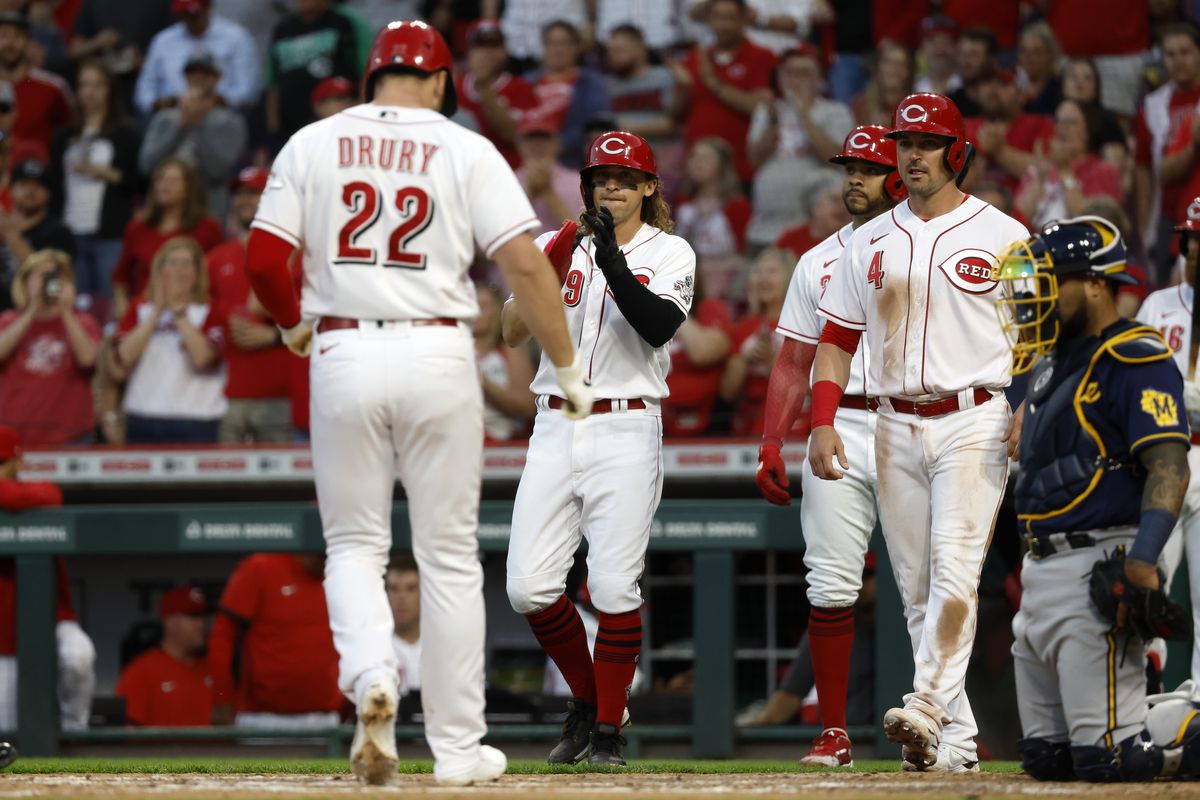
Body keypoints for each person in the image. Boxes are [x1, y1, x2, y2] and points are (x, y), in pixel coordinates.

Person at [241, 20, 592, 787]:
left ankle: (372, 674)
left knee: (355, 547)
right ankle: (460, 752)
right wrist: (565, 366)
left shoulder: (313, 140)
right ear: (438, 81)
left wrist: (292, 322)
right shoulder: (465, 147)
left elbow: (264, 258)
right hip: (437, 348)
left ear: (372, 77)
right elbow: (527, 268)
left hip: (342, 349)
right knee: (448, 555)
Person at [809, 92, 1028, 772]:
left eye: (928, 142)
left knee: (956, 567)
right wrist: (820, 420)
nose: (914, 153)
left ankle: (927, 705)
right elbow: (837, 337)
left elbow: (1038, 336)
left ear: (957, 151)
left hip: (976, 415)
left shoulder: (1005, 233)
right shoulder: (870, 239)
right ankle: (953, 744)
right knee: (915, 587)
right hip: (890, 418)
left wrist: (1028, 404)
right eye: (906, 141)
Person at [502, 130, 695, 767]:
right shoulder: (557, 244)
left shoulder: (671, 251)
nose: (609, 186)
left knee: (613, 586)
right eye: (599, 177)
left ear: (648, 187)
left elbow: (658, 325)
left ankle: (609, 730)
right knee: (528, 586)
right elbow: (507, 330)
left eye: (623, 177)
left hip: (626, 424)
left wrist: (611, 259)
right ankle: (590, 700)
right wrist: (554, 254)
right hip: (555, 421)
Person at [994, 215, 1200, 782]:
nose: (1038, 297)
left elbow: (1169, 464)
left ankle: (1193, 735)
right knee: (1046, 761)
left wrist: (1143, 557)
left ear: (1096, 284)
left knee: (1108, 760)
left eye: (1051, 281)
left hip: (1099, 564)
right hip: (1039, 575)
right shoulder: (1049, 362)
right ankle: (1164, 720)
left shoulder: (1134, 353)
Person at [755, 124, 907, 766]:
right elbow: (793, 361)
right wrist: (771, 441)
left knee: (932, 582)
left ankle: (949, 719)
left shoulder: (922, 244)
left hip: (913, 418)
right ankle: (837, 731)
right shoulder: (816, 259)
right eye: (849, 168)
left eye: (868, 169)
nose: (854, 179)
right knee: (830, 580)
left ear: (897, 175)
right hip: (837, 419)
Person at [1137, 199, 1200, 684]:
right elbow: (1133, 383)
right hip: (1162, 456)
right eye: (1192, 239)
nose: (1197, 248)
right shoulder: (1158, 306)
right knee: (1146, 582)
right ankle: (1144, 684)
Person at [0, 426, 95, 732]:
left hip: (53, 621)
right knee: (9, 739)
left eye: (0, 465)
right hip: (4, 641)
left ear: (18, 462)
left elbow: (52, 494)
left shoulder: (37, 497)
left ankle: (74, 730)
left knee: (78, 656)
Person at [110, 236, 226, 444]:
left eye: (186, 264)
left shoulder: (211, 310)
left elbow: (203, 359)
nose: (179, 271)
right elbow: (124, 357)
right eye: (171, 263)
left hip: (197, 419)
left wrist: (179, 312)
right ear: (159, 270)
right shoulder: (140, 309)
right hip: (142, 415)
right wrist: (156, 311)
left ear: (197, 273)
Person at [206, 553, 342, 729]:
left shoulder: (343, 574)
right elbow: (222, 639)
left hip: (326, 721)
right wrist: (221, 699)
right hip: (263, 721)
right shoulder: (260, 568)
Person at [208, 167, 293, 444]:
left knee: (285, 484)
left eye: (254, 193)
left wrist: (274, 336)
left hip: (282, 394)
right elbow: (206, 319)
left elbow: (319, 321)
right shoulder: (217, 258)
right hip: (229, 395)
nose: (244, 200)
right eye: (239, 194)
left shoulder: (300, 254)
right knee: (224, 484)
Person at [746, 44, 855, 252]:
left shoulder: (835, 111)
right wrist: (772, 121)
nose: (796, 80)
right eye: (790, 73)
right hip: (764, 227)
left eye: (804, 73)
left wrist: (804, 114)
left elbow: (837, 158)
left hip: (813, 229)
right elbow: (755, 159)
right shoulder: (768, 110)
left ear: (819, 78)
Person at [51, 58, 140, 304]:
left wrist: (108, 173)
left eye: (98, 85)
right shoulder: (65, 135)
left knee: (109, 303)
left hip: (109, 233)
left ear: (110, 90)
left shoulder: (125, 133)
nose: (90, 92)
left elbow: (140, 182)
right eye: (84, 85)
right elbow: (55, 185)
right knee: (76, 304)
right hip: (71, 231)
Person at [0, 249, 99, 445]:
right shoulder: (9, 320)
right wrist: (31, 311)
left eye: (54, 276)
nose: (46, 282)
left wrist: (66, 310)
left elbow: (88, 360)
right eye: (40, 275)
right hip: (13, 435)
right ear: (25, 283)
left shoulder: (83, 322)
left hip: (71, 435)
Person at [672, 0, 776, 184]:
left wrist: (714, 84)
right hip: (697, 171)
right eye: (718, 18)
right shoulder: (694, 58)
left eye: (730, 18)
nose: (723, 25)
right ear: (708, 20)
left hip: (741, 171)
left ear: (744, 20)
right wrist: (684, 89)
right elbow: (675, 117)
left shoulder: (762, 56)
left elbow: (762, 108)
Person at [138, 50, 247, 224]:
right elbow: (147, 165)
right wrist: (179, 126)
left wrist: (198, 123)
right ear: (184, 76)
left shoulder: (231, 122)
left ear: (217, 78)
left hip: (210, 212)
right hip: (166, 215)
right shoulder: (165, 119)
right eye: (192, 72)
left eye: (206, 73)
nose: (198, 78)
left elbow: (218, 171)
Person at [110, 156, 223, 318]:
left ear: (188, 189)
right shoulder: (137, 228)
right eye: (161, 179)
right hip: (146, 313)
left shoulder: (207, 227)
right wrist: (124, 310)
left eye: (174, 180)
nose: (165, 185)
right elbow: (120, 276)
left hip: (193, 313)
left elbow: (216, 276)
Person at [1135, 23, 1200, 284]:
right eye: (1170, 54)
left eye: (1185, 52)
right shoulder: (1152, 105)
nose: (1178, 61)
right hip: (1168, 210)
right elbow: (1143, 168)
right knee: (1165, 284)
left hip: (1195, 201)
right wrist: (1143, 225)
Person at [134, 0, 259, 116]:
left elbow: (248, 91)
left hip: (222, 116)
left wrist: (211, 101)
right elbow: (144, 93)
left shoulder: (236, 37)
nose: (189, 21)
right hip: (173, 116)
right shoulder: (163, 40)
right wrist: (163, 104)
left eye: (194, 15)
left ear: (208, 6)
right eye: (184, 15)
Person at [1015, 99, 1124, 230]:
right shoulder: (1041, 168)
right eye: (1058, 121)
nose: (1062, 127)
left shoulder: (1103, 171)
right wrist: (1040, 178)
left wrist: (1065, 170)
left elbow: (1092, 225)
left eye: (1071, 122)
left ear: (1088, 129)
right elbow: (1017, 220)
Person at [720, 247, 796, 436]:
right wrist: (745, 359)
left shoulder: (801, 324)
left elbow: (808, 389)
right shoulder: (744, 326)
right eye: (758, 271)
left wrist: (772, 360)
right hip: (746, 429)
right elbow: (727, 392)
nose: (763, 278)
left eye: (771, 272)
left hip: (791, 429)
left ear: (790, 278)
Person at [264, 0, 361, 143]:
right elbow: (274, 82)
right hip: (292, 124)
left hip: (335, 120)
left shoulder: (342, 22)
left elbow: (360, 69)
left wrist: (359, 109)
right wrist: (272, 129)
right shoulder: (282, 29)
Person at [114, 585, 212, 727]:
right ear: (169, 621)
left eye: (203, 617)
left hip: (212, 750)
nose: (201, 624)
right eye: (193, 617)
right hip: (162, 750)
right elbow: (128, 733)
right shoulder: (140, 673)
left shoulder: (213, 669)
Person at [524, 21, 610, 170]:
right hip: (528, 162)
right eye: (551, 43)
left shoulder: (591, 82)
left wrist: (554, 147)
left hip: (574, 163)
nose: (558, 49)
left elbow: (595, 124)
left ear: (576, 47)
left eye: (564, 43)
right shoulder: (526, 82)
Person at [674, 137, 751, 300]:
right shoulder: (683, 201)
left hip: (725, 286)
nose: (697, 163)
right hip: (684, 281)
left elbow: (743, 255)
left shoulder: (736, 206)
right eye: (693, 157)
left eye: (705, 158)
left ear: (722, 166)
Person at [455, 19, 536, 169]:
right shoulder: (455, 86)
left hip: (506, 171)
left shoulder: (521, 88)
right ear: (469, 52)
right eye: (481, 46)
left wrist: (484, 87)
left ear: (505, 51)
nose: (488, 53)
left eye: (494, 45)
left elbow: (512, 135)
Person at [662, 268, 731, 438]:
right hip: (655, 419)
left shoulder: (709, 308)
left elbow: (702, 354)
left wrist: (674, 304)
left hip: (705, 423)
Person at [0, 158, 76, 310]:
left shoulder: (59, 232)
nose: (30, 190)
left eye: (38, 185)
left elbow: (52, 284)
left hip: (35, 316)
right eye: (23, 184)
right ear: (11, 189)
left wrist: (12, 237)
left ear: (49, 194)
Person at [0, 10, 71, 156]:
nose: (10, 43)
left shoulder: (52, 87)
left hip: (37, 174)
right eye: (3, 35)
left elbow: (71, 130)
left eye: (17, 36)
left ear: (28, 42)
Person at [474, 282, 535, 442]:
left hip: (504, 445)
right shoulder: (453, 349)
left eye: (483, 306)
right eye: (471, 304)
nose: (475, 312)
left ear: (496, 311)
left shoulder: (510, 351)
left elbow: (528, 407)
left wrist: (482, 381)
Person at [515, 113, 579, 231]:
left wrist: (547, 192)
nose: (538, 144)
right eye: (531, 138)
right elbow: (502, 234)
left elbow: (582, 236)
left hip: (564, 249)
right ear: (519, 144)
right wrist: (530, 194)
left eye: (544, 138)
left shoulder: (577, 181)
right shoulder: (507, 180)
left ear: (557, 143)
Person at [852, 40, 914, 127]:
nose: (892, 69)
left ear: (908, 72)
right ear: (878, 67)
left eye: (899, 64)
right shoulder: (861, 104)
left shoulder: (914, 107)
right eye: (887, 62)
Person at [385, 556, 421, 696]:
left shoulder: (441, 647)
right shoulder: (375, 649)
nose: (401, 597)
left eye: (411, 589)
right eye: (394, 588)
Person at [1016, 22, 1064, 117]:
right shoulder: (1012, 88)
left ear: (1050, 55)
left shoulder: (1061, 90)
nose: (1028, 57)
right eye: (1024, 51)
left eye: (1036, 52)